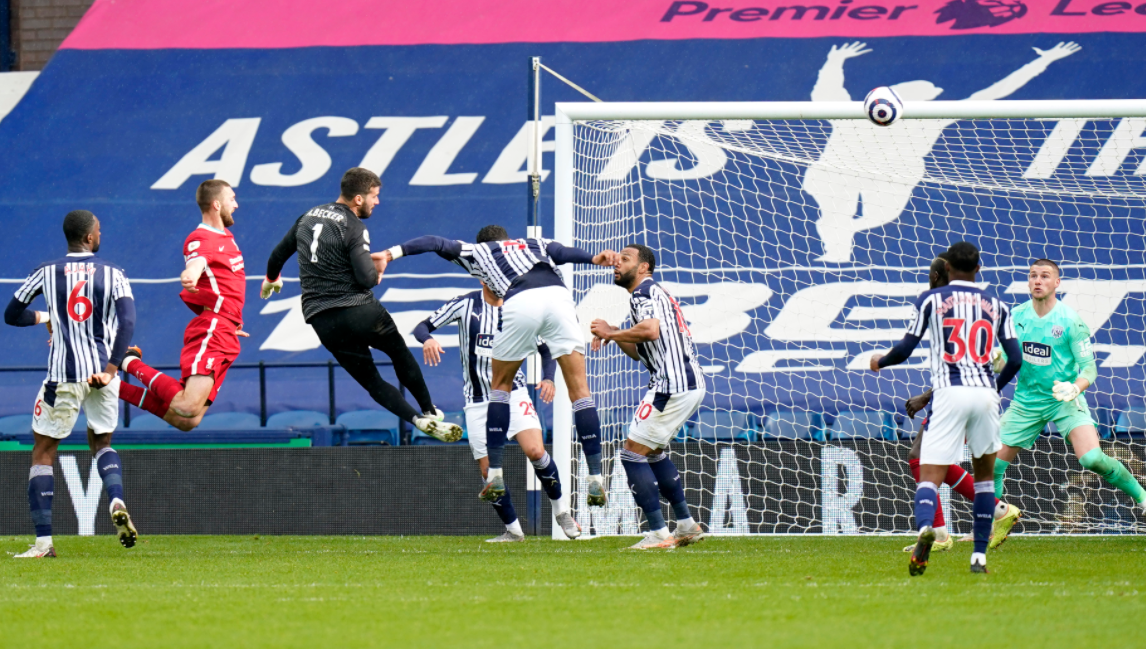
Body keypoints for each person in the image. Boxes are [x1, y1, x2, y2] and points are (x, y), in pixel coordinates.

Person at [380, 225, 616, 506]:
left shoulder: (480, 251)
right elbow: (563, 253)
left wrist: (390, 254)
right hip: (559, 299)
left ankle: (495, 473)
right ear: (508, 239)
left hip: (520, 301)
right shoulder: (536, 243)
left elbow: (433, 241)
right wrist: (592, 258)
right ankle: (596, 477)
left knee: (500, 386)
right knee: (580, 392)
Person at [806, 40, 1080, 262]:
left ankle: (845, 233)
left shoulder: (932, 117)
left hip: (892, 174)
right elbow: (826, 94)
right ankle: (837, 253)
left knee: (875, 217)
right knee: (835, 214)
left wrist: (1041, 62)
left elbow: (992, 94)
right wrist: (833, 62)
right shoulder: (855, 115)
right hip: (839, 169)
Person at [262, 167, 460, 441]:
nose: (376, 202)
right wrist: (379, 271)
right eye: (374, 196)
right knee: (399, 354)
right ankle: (428, 410)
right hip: (360, 310)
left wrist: (271, 279)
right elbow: (366, 279)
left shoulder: (307, 217)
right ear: (358, 199)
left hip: (322, 319)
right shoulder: (354, 226)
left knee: (371, 380)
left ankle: (415, 419)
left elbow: (277, 255)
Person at [870, 241, 1022, 575]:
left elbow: (905, 349)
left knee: (927, 474)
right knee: (985, 478)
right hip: (984, 396)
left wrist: (880, 361)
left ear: (947, 269)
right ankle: (979, 557)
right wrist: (992, 388)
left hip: (949, 394)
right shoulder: (997, 304)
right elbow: (1016, 359)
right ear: (978, 268)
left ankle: (931, 528)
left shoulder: (931, 300)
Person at [4, 210, 138, 557]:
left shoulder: (46, 272)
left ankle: (44, 543)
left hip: (63, 375)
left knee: (44, 450)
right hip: (102, 374)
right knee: (101, 442)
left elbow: (11, 314)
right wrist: (109, 369)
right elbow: (127, 322)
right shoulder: (114, 274)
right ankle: (116, 499)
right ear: (91, 237)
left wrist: (46, 316)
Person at [413, 281, 582, 541]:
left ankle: (561, 512)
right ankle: (513, 530)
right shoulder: (465, 304)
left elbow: (545, 349)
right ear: (483, 277)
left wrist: (548, 378)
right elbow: (421, 326)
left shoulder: (521, 309)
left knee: (536, 451)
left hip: (514, 394)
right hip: (478, 401)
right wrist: (428, 339)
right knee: (487, 471)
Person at [992, 259, 1146, 515]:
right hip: (1026, 402)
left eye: (1044, 276)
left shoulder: (1070, 321)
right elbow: (1009, 359)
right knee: (992, 466)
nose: (1038, 281)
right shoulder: (1016, 316)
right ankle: (990, 524)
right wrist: (998, 362)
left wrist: (1075, 388)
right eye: (1033, 276)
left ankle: (1142, 497)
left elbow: (1089, 369)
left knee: (1092, 459)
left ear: (1056, 282)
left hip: (1064, 400)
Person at [107, 180, 250, 431]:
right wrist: (190, 275)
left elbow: (224, 283)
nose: (236, 205)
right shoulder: (200, 238)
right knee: (185, 406)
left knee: (188, 420)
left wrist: (231, 318)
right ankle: (128, 361)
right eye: (232, 199)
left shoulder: (226, 237)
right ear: (216, 204)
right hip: (214, 329)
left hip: (225, 328)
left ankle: (113, 386)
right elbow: (196, 262)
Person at [590, 244, 705, 549]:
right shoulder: (653, 295)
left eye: (625, 259)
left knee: (631, 453)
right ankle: (686, 525)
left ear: (643, 267)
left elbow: (650, 331)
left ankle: (658, 532)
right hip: (687, 382)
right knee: (652, 453)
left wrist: (611, 333)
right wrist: (614, 333)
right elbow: (641, 352)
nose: (617, 264)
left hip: (671, 384)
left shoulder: (644, 293)